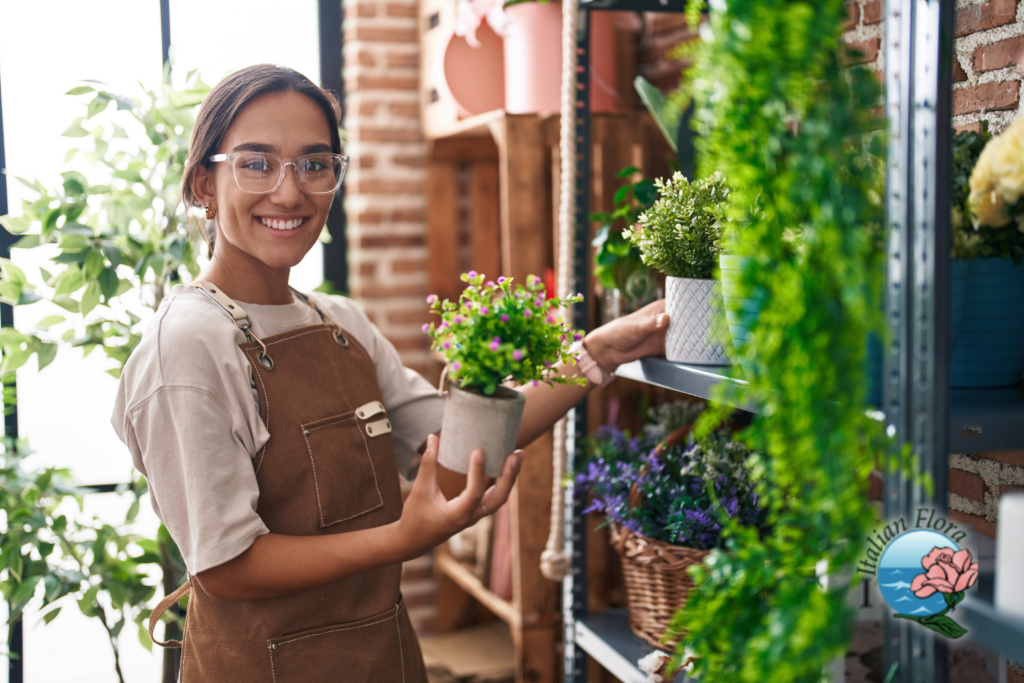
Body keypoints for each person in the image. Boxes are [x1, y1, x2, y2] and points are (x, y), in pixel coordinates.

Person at [112, 64, 668, 682]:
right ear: (203, 185)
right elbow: (226, 566)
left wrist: (599, 354)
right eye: (256, 163)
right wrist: (404, 538)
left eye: (315, 163)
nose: (290, 192)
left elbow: (456, 439)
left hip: (384, 661)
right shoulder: (189, 345)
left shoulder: (338, 322)